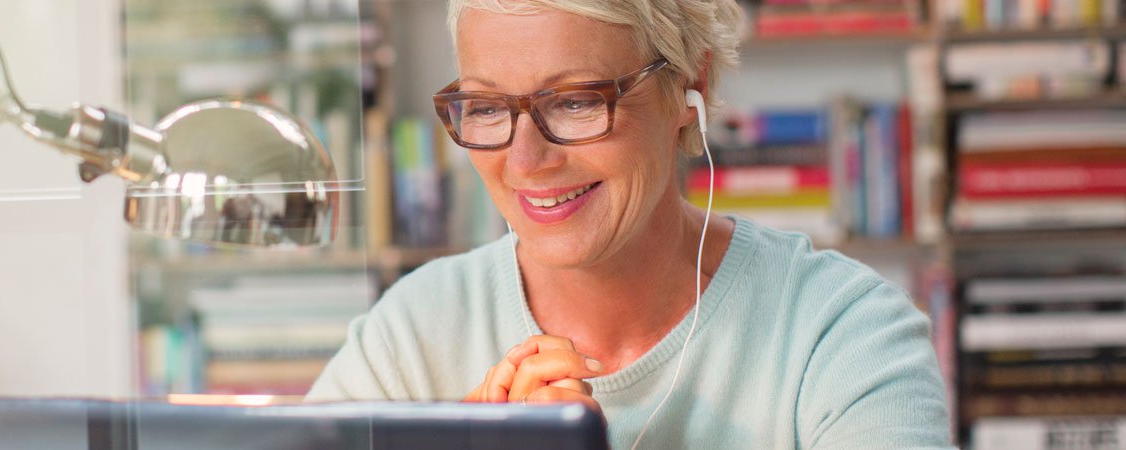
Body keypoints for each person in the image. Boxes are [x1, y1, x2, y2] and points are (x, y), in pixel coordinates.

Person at [306, 0, 954, 448]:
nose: (525, 160)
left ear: (686, 87)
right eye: (484, 107)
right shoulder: (415, 329)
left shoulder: (841, 332)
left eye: (577, 101)